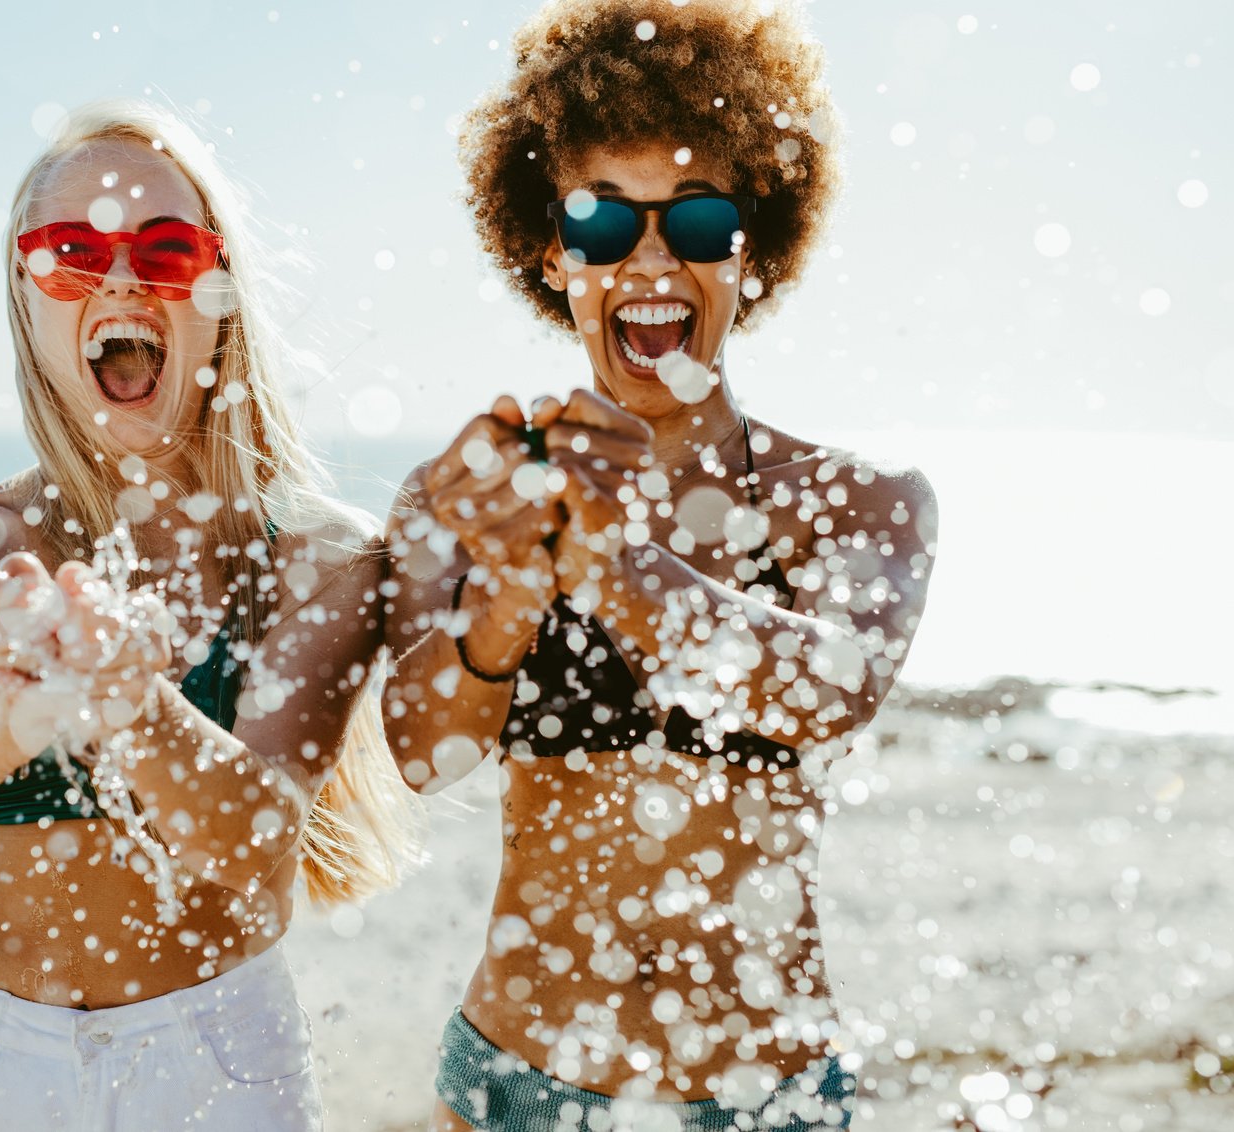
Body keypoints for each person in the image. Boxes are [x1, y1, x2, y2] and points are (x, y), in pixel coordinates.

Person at [382, 1, 937, 1128]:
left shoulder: (857, 500)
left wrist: (614, 560)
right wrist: (508, 595)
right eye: (600, 224)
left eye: (696, 220)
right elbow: (425, 755)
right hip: (517, 1084)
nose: (648, 260)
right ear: (551, 249)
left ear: (751, 247)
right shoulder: (476, 494)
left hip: (766, 1093)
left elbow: (827, 691)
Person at [0, 100, 415, 1131]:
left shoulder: (323, 559)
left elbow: (256, 839)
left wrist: (110, 692)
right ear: (26, 291)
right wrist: (14, 711)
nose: (121, 278)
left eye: (167, 247)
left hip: (218, 1062)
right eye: (72, 249)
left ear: (219, 289)